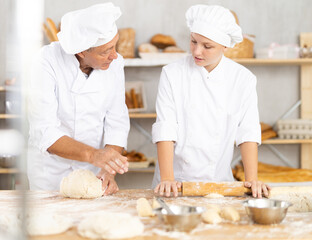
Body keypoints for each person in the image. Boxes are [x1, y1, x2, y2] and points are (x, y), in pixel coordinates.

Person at [152, 4, 270, 198]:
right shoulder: (172, 73)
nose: (197, 51)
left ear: (225, 46)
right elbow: (166, 127)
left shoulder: (242, 79)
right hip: (174, 183)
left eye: (207, 46)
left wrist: (252, 180)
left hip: (218, 183)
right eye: (193, 41)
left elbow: (247, 131)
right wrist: (167, 178)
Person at [27, 3, 130, 195]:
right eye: (106, 51)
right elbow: (44, 130)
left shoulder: (116, 64)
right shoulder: (45, 62)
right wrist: (95, 155)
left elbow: (117, 122)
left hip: (93, 173)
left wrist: (108, 170)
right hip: (49, 173)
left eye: (114, 46)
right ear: (82, 52)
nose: (114, 56)